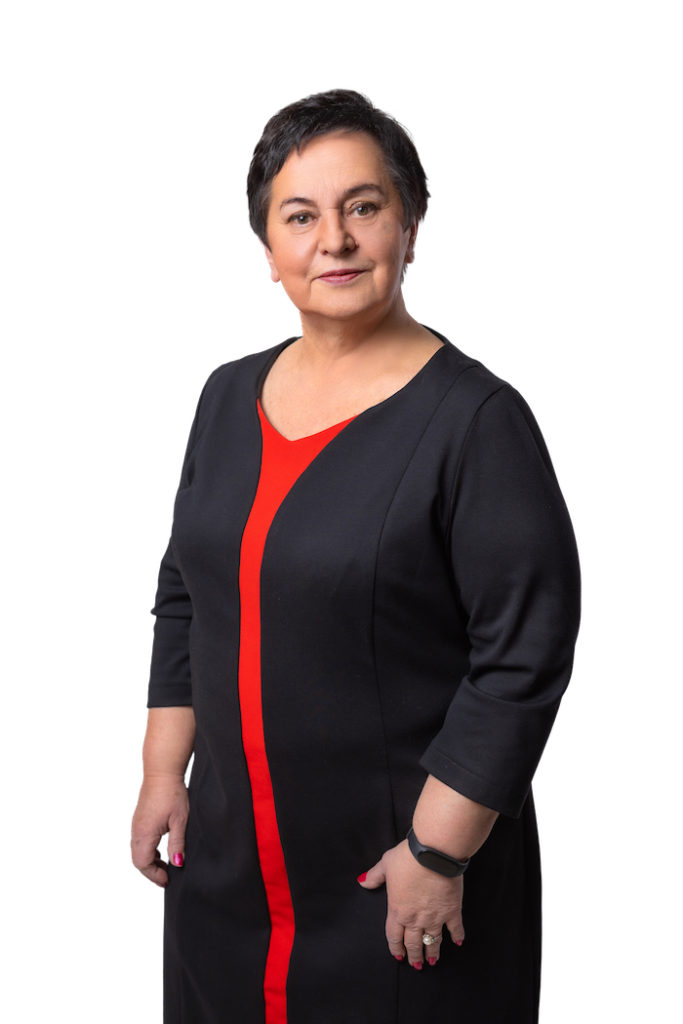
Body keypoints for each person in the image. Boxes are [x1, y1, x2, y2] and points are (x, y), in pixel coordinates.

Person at [128, 86, 582, 1023]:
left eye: (361, 207)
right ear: (266, 249)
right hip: (227, 870)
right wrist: (163, 775)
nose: (332, 241)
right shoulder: (225, 394)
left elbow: (521, 658)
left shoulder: (477, 422)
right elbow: (185, 592)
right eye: (300, 216)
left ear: (410, 225)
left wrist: (436, 851)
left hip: (396, 884)